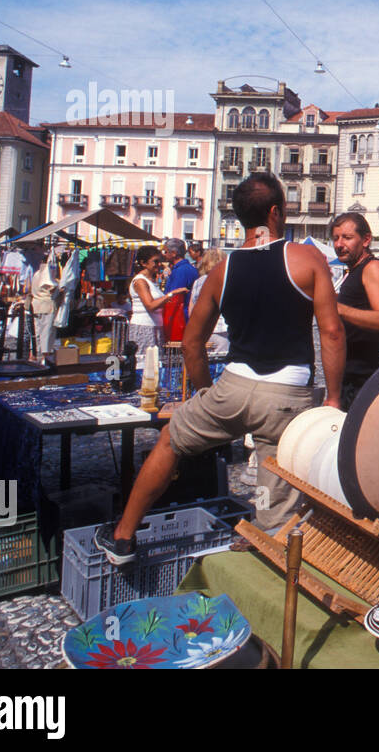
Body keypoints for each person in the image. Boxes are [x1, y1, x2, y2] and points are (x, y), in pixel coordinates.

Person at [96, 173, 345, 563]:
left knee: (170, 441)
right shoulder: (306, 259)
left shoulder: (221, 272)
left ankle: (123, 538)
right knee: (276, 489)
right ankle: (268, 567)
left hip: (233, 385)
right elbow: (331, 333)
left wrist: (202, 393)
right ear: (276, 212)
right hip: (287, 393)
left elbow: (192, 343)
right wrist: (331, 397)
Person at [331, 212, 379, 408]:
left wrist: (337, 308)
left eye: (347, 238)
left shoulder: (373, 268)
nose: (339, 244)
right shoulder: (353, 271)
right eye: (335, 238)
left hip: (362, 379)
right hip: (349, 376)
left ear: (366, 239)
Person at [127, 247, 186, 353]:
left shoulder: (152, 281)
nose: (159, 264)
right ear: (143, 263)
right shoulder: (140, 281)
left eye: (160, 261)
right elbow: (150, 305)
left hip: (156, 327)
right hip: (144, 327)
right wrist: (171, 294)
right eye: (155, 261)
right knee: (144, 362)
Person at [188, 248, 230, 355]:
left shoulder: (198, 281)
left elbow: (191, 308)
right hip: (221, 328)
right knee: (220, 360)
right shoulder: (225, 280)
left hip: (202, 328)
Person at [160, 237, 199, 342]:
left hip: (180, 320)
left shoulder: (181, 271)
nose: (164, 254)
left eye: (165, 251)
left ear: (173, 253)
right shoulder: (188, 269)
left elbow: (174, 300)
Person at [30, 259, 60, 361]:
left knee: (36, 332)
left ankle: (33, 355)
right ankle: (45, 358)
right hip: (47, 306)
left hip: (35, 306)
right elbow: (53, 290)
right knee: (47, 333)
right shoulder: (47, 277)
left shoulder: (36, 274)